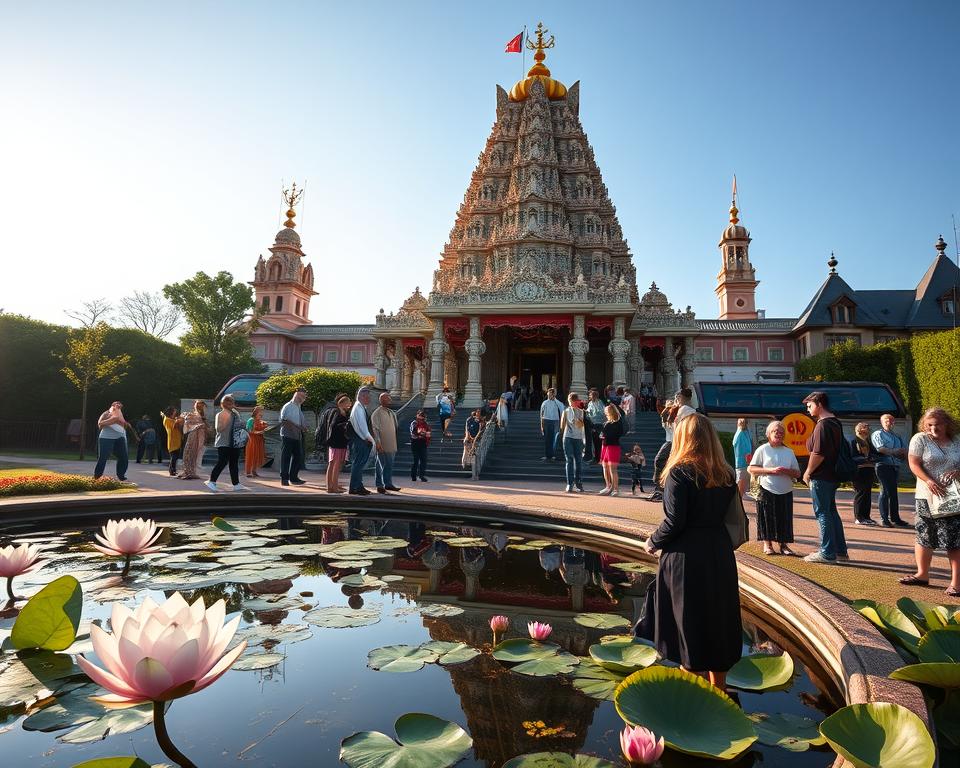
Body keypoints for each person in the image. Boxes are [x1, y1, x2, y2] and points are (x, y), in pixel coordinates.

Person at [639, 413, 742, 689]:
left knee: (688, 621)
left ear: (683, 438)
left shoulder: (679, 472)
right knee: (717, 616)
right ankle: (719, 690)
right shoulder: (726, 473)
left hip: (686, 556)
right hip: (718, 551)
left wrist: (652, 541)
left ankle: (695, 700)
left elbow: (675, 522)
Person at [901, 407, 960, 597]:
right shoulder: (920, 439)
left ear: (947, 424)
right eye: (930, 425)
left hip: (952, 498)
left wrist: (958, 473)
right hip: (926, 495)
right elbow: (914, 463)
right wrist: (928, 480)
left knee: (954, 540)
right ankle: (922, 574)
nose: (934, 429)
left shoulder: (957, 441)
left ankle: (956, 584)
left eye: (938, 425)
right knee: (924, 535)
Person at [801, 391, 850, 564]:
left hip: (821, 476)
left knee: (822, 513)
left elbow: (818, 453)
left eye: (810, 405)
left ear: (819, 404)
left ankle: (827, 552)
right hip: (832, 475)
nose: (808, 409)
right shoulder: (836, 423)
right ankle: (840, 551)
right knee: (831, 512)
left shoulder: (823, 425)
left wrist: (807, 472)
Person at [749, 420, 801, 556]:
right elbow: (751, 468)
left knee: (784, 517)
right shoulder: (762, 449)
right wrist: (770, 470)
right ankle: (768, 544)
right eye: (775, 431)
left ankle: (783, 545)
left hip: (786, 489)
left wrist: (786, 471)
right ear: (769, 434)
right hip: (766, 488)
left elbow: (797, 473)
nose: (778, 434)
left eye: (781, 432)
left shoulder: (789, 451)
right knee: (766, 516)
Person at [872, 413, 911, 528]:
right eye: (886, 421)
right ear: (882, 422)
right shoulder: (878, 434)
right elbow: (881, 449)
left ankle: (895, 518)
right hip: (883, 465)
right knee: (885, 491)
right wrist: (895, 451)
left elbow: (904, 451)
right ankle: (884, 519)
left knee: (893, 493)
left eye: (891, 421)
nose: (889, 423)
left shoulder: (897, 436)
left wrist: (903, 453)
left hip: (895, 467)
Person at [204, 394, 249, 492]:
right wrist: (227, 420)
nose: (230, 404)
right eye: (227, 402)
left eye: (231, 402)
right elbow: (219, 429)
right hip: (224, 443)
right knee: (222, 462)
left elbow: (239, 424)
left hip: (235, 443)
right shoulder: (220, 414)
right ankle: (212, 481)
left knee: (234, 464)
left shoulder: (235, 414)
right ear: (222, 404)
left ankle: (236, 484)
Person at [349, 387, 377, 495]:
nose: (369, 399)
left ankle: (357, 486)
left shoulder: (360, 407)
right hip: (361, 440)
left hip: (361, 440)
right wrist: (371, 440)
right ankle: (355, 487)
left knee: (358, 464)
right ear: (361, 396)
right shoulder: (358, 408)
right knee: (358, 464)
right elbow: (362, 427)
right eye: (368, 396)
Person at [94, 401, 131, 481]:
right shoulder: (106, 413)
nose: (118, 405)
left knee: (124, 457)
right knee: (103, 457)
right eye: (116, 404)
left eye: (120, 405)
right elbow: (100, 425)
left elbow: (123, 424)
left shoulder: (120, 415)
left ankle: (121, 475)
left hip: (120, 437)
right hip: (106, 437)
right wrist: (111, 420)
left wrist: (121, 422)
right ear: (112, 405)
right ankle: (97, 476)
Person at [851, 422, 879, 525]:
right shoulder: (854, 442)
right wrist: (865, 459)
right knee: (860, 494)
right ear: (859, 430)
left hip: (869, 470)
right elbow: (853, 456)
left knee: (867, 494)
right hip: (859, 471)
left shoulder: (868, 442)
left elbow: (875, 454)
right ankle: (859, 517)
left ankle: (866, 517)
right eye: (865, 427)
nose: (868, 429)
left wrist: (873, 458)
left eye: (868, 427)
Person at [372, 392, 401, 494]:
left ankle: (388, 484)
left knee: (389, 465)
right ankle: (379, 485)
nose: (390, 400)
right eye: (388, 398)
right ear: (382, 400)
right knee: (380, 465)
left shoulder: (392, 412)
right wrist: (378, 443)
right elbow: (375, 429)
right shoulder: (377, 413)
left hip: (392, 444)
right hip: (382, 445)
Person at [279, 387, 308, 487]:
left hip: (296, 435)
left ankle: (293, 477)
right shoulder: (288, 406)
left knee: (298, 456)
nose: (303, 398)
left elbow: (299, 419)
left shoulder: (298, 406)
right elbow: (284, 421)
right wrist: (298, 426)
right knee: (286, 457)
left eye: (304, 396)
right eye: (302, 396)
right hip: (288, 435)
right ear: (297, 395)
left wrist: (303, 427)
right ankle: (284, 478)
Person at [650, 399, 677, 500]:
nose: (668, 409)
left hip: (672, 442)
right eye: (667, 406)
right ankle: (659, 487)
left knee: (660, 461)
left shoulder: (674, 416)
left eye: (670, 407)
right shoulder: (665, 415)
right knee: (660, 462)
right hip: (669, 441)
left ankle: (661, 488)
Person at [325, 394, 352, 493]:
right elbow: (334, 426)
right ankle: (333, 487)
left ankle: (331, 486)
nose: (350, 404)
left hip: (337, 442)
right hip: (337, 442)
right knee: (335, 464)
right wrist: (346, 424)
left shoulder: (340, 412)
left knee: (334, 464)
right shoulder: (338, 412)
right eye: (348, 402)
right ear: (343, 403)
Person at [560, 392, 586, 493]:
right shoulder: (566, 411)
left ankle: (579, 483)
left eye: (573, 401)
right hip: (568, 437)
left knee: (578, 461)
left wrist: (576, 414)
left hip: (578, 438)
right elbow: (562, 426)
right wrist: (563, 436)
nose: (571, 403)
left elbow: (580, 425)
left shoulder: (581, 411)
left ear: (576, 401)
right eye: (570, 401)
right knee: (569, 460)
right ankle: (569, 483)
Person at [599, 404, 625, 496]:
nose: (606, 413)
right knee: (605, 467)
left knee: (612, 469)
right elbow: (603, 433)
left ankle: (616, 489)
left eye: (607, 411)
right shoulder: (607, 422)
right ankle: (608, 486)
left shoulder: (618, 422)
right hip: (605, 446)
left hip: (613, 446)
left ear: (611, 412)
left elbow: (618, 433)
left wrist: (606, 434)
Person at [178, 400, 207, 480]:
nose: (200, 407)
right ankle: (187, 471)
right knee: (189, 452)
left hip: (199, 436)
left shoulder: (200, 416)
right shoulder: (193, 415)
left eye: (201, 406)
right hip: (194, 436)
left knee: (195, 454)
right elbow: (185, 419)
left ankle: (191, 472)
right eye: (198, 405)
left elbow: (204, 427)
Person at [540, 388, 565, 461]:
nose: (551, 394)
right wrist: (541, 425)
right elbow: (541, 414)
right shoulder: (544, 402)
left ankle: (553, 455)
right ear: (547, 393)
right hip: (546, 421)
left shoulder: (557, 403)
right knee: (547, 439)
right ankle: (547, 455)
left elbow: (562, 409)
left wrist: (555, 399)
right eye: (549, 392)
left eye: (552, 393)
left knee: (554, 439)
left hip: (555, 421)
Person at [244, 405, 268, 478]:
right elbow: (248, 430)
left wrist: (265, 429)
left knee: (256, 456)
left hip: (259, 440)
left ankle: (254, 471)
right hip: (252, 440)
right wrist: (258, 432)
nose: (262, 413)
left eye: (262, 411)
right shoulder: (251, 420)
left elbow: (262, 429)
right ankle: (248, 472)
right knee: (251, 455)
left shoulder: (260, 421)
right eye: (260, 411)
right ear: (256, 412)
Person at [731, 418, 753, 498]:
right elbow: (743, 449)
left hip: (743, 462)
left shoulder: (743, 433)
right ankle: (737, 503)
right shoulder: (741, 434)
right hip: (743, 463)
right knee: (741, 487)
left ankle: (739, 500)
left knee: (742, 486)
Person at [160, 407, 184, 477]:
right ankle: (171, 471)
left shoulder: (171, 419)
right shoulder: (167, 420)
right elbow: (174, 425)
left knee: (175, 457)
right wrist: (178, 420)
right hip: (172, 441)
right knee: (174, 457)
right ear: (171, 412)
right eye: (174, 411)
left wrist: (178, 420)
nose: (175, 413)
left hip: (177, 440)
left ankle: (173, 470)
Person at [409, 409, 432, 481]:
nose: (422, 417)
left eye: (423, 416)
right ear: (417, 415)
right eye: (420, 415)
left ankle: (422, 476)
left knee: (423, 460)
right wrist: (422, 434)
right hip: (415, 443)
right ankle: (413, 476)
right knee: (415, 460)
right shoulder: (414, 423)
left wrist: (425, 435)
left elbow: (428, 433)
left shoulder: (426, 424)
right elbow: (413, 433)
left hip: (423, 443)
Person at [586, 389, 606, 465]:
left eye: (590, 395)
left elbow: (601, 413)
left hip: (599, 424)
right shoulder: (590, 403)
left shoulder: (599, 403)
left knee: (599, 442)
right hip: (593, 424)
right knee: (594, 442)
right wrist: (587, 413)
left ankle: (599, 458)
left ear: (594, 396)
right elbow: (589, 412)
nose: (589, 396)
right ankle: (595, 458)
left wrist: (591, 414)